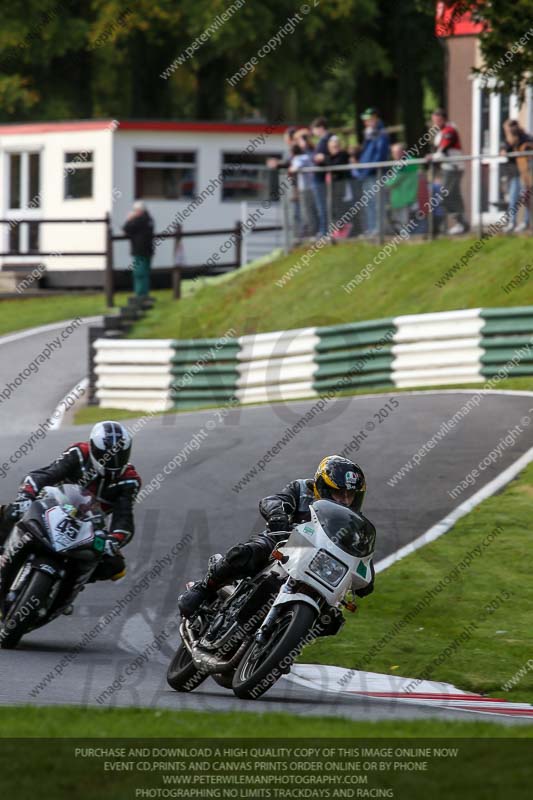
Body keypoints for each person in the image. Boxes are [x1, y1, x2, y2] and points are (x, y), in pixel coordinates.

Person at [178, 455, 376, 620]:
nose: (346, 500)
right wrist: (278, 515)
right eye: (339, 493)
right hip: (283, 542)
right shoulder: (302, 489)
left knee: (332, 619)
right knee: (245, 553)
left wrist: (367, 576)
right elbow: (271, 501)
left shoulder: (351, 522)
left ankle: (280, 645)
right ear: (323, 486)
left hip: (319, 565)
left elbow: (359, 554)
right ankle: (204, 589)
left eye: (351, 495)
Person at [0, 421, 141, 583]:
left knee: (116, 567)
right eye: (107, 456)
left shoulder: (130, 481)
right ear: (94, 448)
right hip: (51, 509)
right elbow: (44, 475)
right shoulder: (79, 453)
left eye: (120, 456)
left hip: (88, 529)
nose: (113, 462)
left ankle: (66, 589)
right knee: (10, 511)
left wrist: (113, 540)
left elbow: (124, 521)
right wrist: (26, 495)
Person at [428, 108, 469, 235]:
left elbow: (443, 150)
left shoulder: (449, 130)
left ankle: (459, 223)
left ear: (444, 119)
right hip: (448, 168)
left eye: (438, 120)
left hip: (454, 168)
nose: (435, 123)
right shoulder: (440, 132)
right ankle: (462, 224)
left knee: (446, 196)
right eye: (434, 120)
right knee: (453, 195)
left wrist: (432, 157)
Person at [353, 108, 390, 237]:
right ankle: (371, 228)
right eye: (365, 120)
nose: (366, 122)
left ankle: (379, 229)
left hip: (376, 174)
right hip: (367, 174)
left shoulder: (381, 134)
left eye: (368, 119)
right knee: (369, 203)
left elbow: (379, 156)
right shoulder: (369, 134)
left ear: (375, 118)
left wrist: (365, 170)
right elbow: (366, 155)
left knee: (377, 202)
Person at [500, 119, 532, 233]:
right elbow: (504, 149)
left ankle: (525, 222)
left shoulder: (525, 138)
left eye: (507, 129)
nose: (507, 132)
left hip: (525, 174)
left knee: (526, 197)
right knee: (513, 198)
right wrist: (505, 148)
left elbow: (528, 147)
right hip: (515, 174)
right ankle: (512, 223)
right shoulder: (509, 141)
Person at [123, 201, 155, 298]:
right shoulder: (149, 219)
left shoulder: (139, 220)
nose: (134, 212)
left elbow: (126, 228)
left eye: (135, 210)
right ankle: (144, 293)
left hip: (139, 250)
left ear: (139, 211)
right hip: (148, 250)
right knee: (145, 273)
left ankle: (140, 295)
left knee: (139, 273)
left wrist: (129, 219)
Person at [385, 142, 420, 232]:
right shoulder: (399, 163)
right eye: (393, 152)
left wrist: (386, 182)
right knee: (400, 222)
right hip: (399, 198)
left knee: (406, 223)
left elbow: (394, 181)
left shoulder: (407, 162)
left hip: (407, 197)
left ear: (403, 152)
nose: (395, 155)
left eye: (397, 152)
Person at [324, 136, 352, 238]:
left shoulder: (343, 155)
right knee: (332, 209)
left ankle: (344, 230)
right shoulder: (329, 156)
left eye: (336, 146)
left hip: (340, 187)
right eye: (332, 146)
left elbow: (334, 166)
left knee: (340, 209)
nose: (334, 148)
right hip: (330, 187)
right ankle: (335, 231)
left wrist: (325, 158)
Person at [310, 117, 333, 237]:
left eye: (314, 129)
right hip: (318, 177)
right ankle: (323, 230)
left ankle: (325, 231)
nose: (313, 132)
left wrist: (323, 158)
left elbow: (333, 157)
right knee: (321, 206)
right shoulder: (322, 140)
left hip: (322, 178)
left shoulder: (328, 139)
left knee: (323, 206)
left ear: (320, 128)